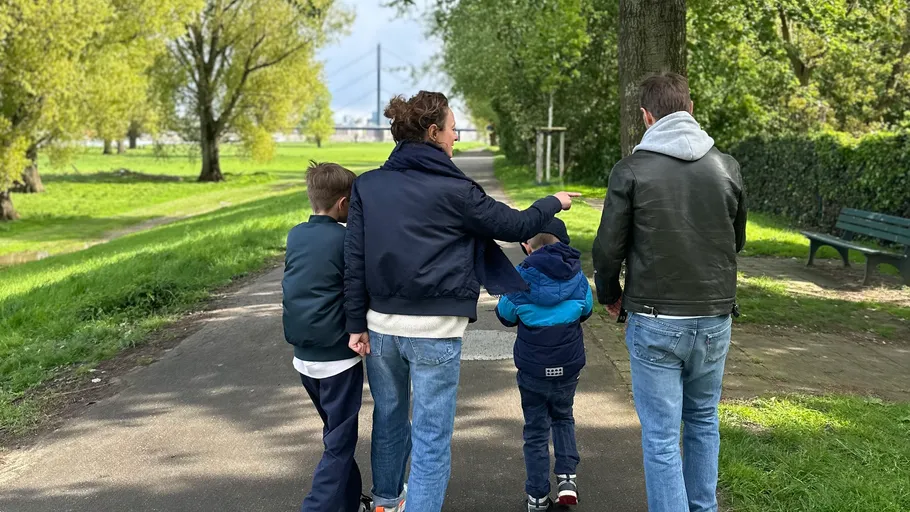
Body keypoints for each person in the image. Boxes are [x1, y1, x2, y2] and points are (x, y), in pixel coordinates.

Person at [344, 90, 580, 512]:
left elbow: (354, 258)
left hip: (380, 331)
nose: (457, 137)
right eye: (453, 129)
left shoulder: (368, 185)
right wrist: (553, 202)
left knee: (388, 421)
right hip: (435, 333)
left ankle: (385, 503)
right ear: (433, 132)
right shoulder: (456, 189)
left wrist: (354, 324)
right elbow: (515, 226)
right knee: (432, 439)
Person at [592, 72, 747, 512]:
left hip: (656, 318)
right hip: (715, 316)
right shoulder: (727, 166)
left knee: (661, 436)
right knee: (703, 421)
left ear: (647, 117)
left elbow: (608, 248)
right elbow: (734, 240)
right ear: (690, 109)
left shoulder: (631, 170)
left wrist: (609, 294)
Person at [282, 162, 370, 512]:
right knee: (339, 444)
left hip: (303, 357)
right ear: (344, 204)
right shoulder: (347, 238)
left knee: (334, 434)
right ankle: (317, 507)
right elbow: (356, 289)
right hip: (339, 359)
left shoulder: (295, 235)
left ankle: (349, 502)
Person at [495, 218, 593, 512]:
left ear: (527, 246)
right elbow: (586, 309)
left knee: (536, 430)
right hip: (568, 365)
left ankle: (537, 496)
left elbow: (506, 314)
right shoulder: (577, 277)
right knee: (563, 417)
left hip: (533, 369)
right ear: (564, 244)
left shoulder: (518, 278)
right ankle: (567, 480)